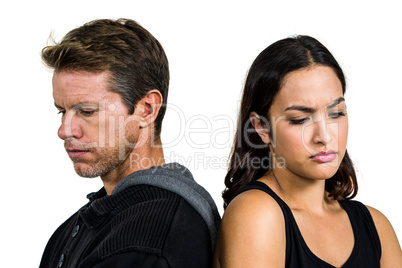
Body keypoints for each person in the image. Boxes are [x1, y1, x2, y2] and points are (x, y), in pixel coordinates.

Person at [39, 18, 220, 268]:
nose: (64, 130)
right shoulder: (76, 229)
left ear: (146, 109)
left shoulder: (150, 237)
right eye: (62, 111)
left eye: (87, 111)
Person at [213, 35, 402, 267]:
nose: (324, 136)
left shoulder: (376, 226)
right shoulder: (255, 214)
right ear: (261, 127)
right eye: (300, 119)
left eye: (336, 114)